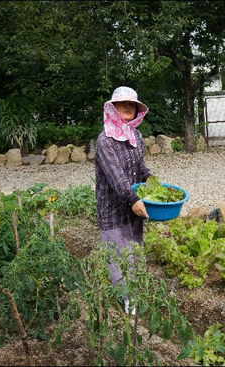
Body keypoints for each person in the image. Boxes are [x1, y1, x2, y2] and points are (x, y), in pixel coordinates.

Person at [94, 86, 152, 316]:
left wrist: (153, 182)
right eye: (123, 103)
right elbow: (116, 176)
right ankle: (127, 299)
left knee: (134, 250)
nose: (129, 107)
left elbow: (141, 167)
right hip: (113, 206)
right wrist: (133, 198)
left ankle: (134, 291)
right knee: (117, 254)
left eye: (133, 104)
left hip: (134, 204)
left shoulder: (135, 135)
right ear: (113, 108)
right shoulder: (105, 141)